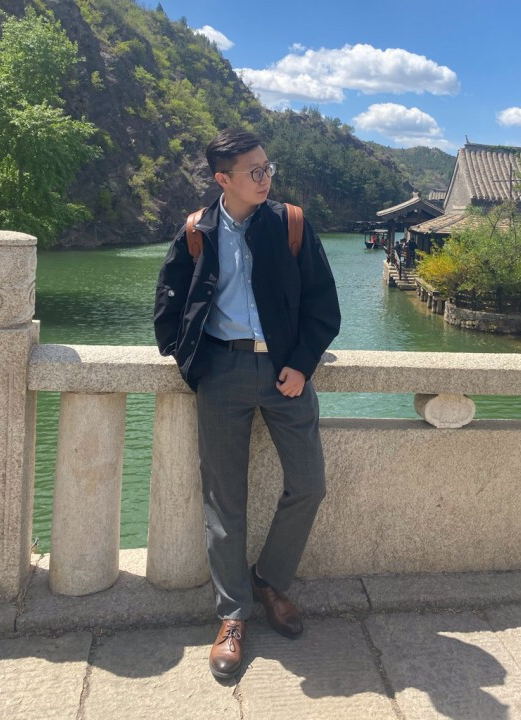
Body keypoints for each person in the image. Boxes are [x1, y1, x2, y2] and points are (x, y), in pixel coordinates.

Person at [154, 128, 341, 680]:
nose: (265, 178)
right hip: (222, 371)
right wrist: (192, 363)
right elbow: (168, 303)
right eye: (254, 171)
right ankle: (232, 615)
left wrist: (301, 363)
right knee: (224, 500)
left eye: (268, 168)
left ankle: (269, 581)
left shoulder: (291, 223)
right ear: (223, 179)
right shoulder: (197, 230)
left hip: (286, 374)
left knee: (309, 484)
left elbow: (324, 304)